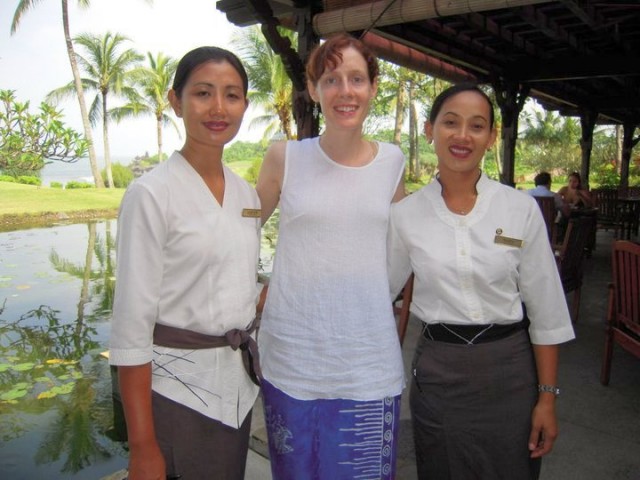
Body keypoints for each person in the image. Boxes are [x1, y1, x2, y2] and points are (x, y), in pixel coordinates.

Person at [387, 83, 576, 480]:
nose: (462, 136)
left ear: (491, 137)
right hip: (439, 373)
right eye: (450, 122)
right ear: (429, 129)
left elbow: (547, 313)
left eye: (477, 126)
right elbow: (377, 293)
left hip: (510, 371)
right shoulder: (405, 216)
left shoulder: (519, 209)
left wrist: (547, 398)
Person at [109, 46, 264, 480]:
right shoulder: (151, 195)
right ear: (176, 102)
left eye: (232, 96)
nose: (218, 108)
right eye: (202, 93)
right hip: (177, 395)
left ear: (245, 106)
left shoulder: (245, 194)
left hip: (238, 391)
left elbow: (235, 281)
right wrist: (142, 446)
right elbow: (130, 326)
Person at [256, 33, 406, 479]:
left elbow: (399, 255)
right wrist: (254, 290)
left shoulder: (393, 162)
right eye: (331, 78)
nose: (345, 91)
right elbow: (237, 230)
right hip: (292, 361)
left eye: (357, 79)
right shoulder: (286, 158)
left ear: (373, 88)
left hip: (368, 362)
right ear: (313, 88)